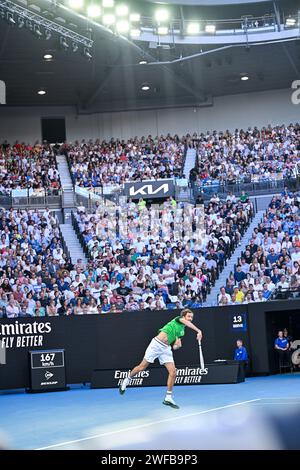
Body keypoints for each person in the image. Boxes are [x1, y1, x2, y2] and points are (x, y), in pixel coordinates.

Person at [119, 308, 202, 409]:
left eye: (192, 317)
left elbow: (175, 345)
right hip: (156, 345)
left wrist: (177, 346)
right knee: (142, 367)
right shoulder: (178, 319)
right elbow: (185, 322)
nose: (190, 319)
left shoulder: (182, 331)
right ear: (183, 316)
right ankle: (127, 380)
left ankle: (168, 397)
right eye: (189, 316)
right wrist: (198, 330)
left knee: (173, 372)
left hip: (166, 349)